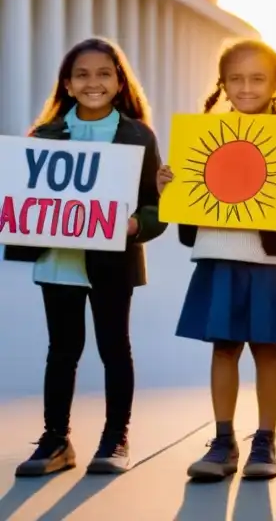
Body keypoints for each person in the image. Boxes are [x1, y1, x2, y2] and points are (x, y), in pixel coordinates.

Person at [158, 39, 276, 482]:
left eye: (257, 78)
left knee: (266, 349)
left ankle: (265, 440)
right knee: (224, 348)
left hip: (269, 264)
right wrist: (169, 187)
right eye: (236, 79)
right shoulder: (203, 138)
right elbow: (187, 213)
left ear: (275, 85)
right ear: (223, 85)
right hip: (218, 256)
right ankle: (224, 439)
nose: (246, 87)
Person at [8, 38, 166, 477]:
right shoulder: (45, 135)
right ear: (67, 84)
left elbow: (156, 205)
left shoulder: (138, 134)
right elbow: (26, 194)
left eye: (103, 74)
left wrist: (137, 225)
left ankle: (115, 438)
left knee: (115, 348)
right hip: (59, 259)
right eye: (82, 74)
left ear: (118, 83)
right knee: (62, 350)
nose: (92, 82)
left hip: (112, 262)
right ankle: (56, 440)